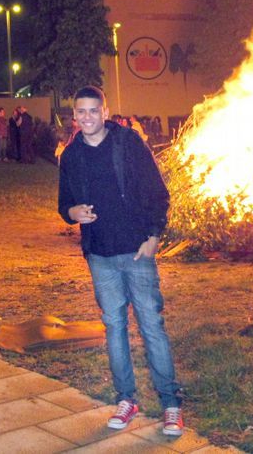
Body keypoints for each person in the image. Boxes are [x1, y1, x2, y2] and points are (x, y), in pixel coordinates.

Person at [57, 86, 183, 436]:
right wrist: (73, 212)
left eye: (93, 110)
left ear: (105, 111)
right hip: (100, 255)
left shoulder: (128, 143)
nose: (87, 117)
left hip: (136, 250)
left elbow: (158, 193)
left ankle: (170, 404)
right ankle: (126, 399)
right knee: (114, 327)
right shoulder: (71, 155)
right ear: (74, 116)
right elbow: (64, 204)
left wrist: (154, 236)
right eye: (80, 112)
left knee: (151, 325)